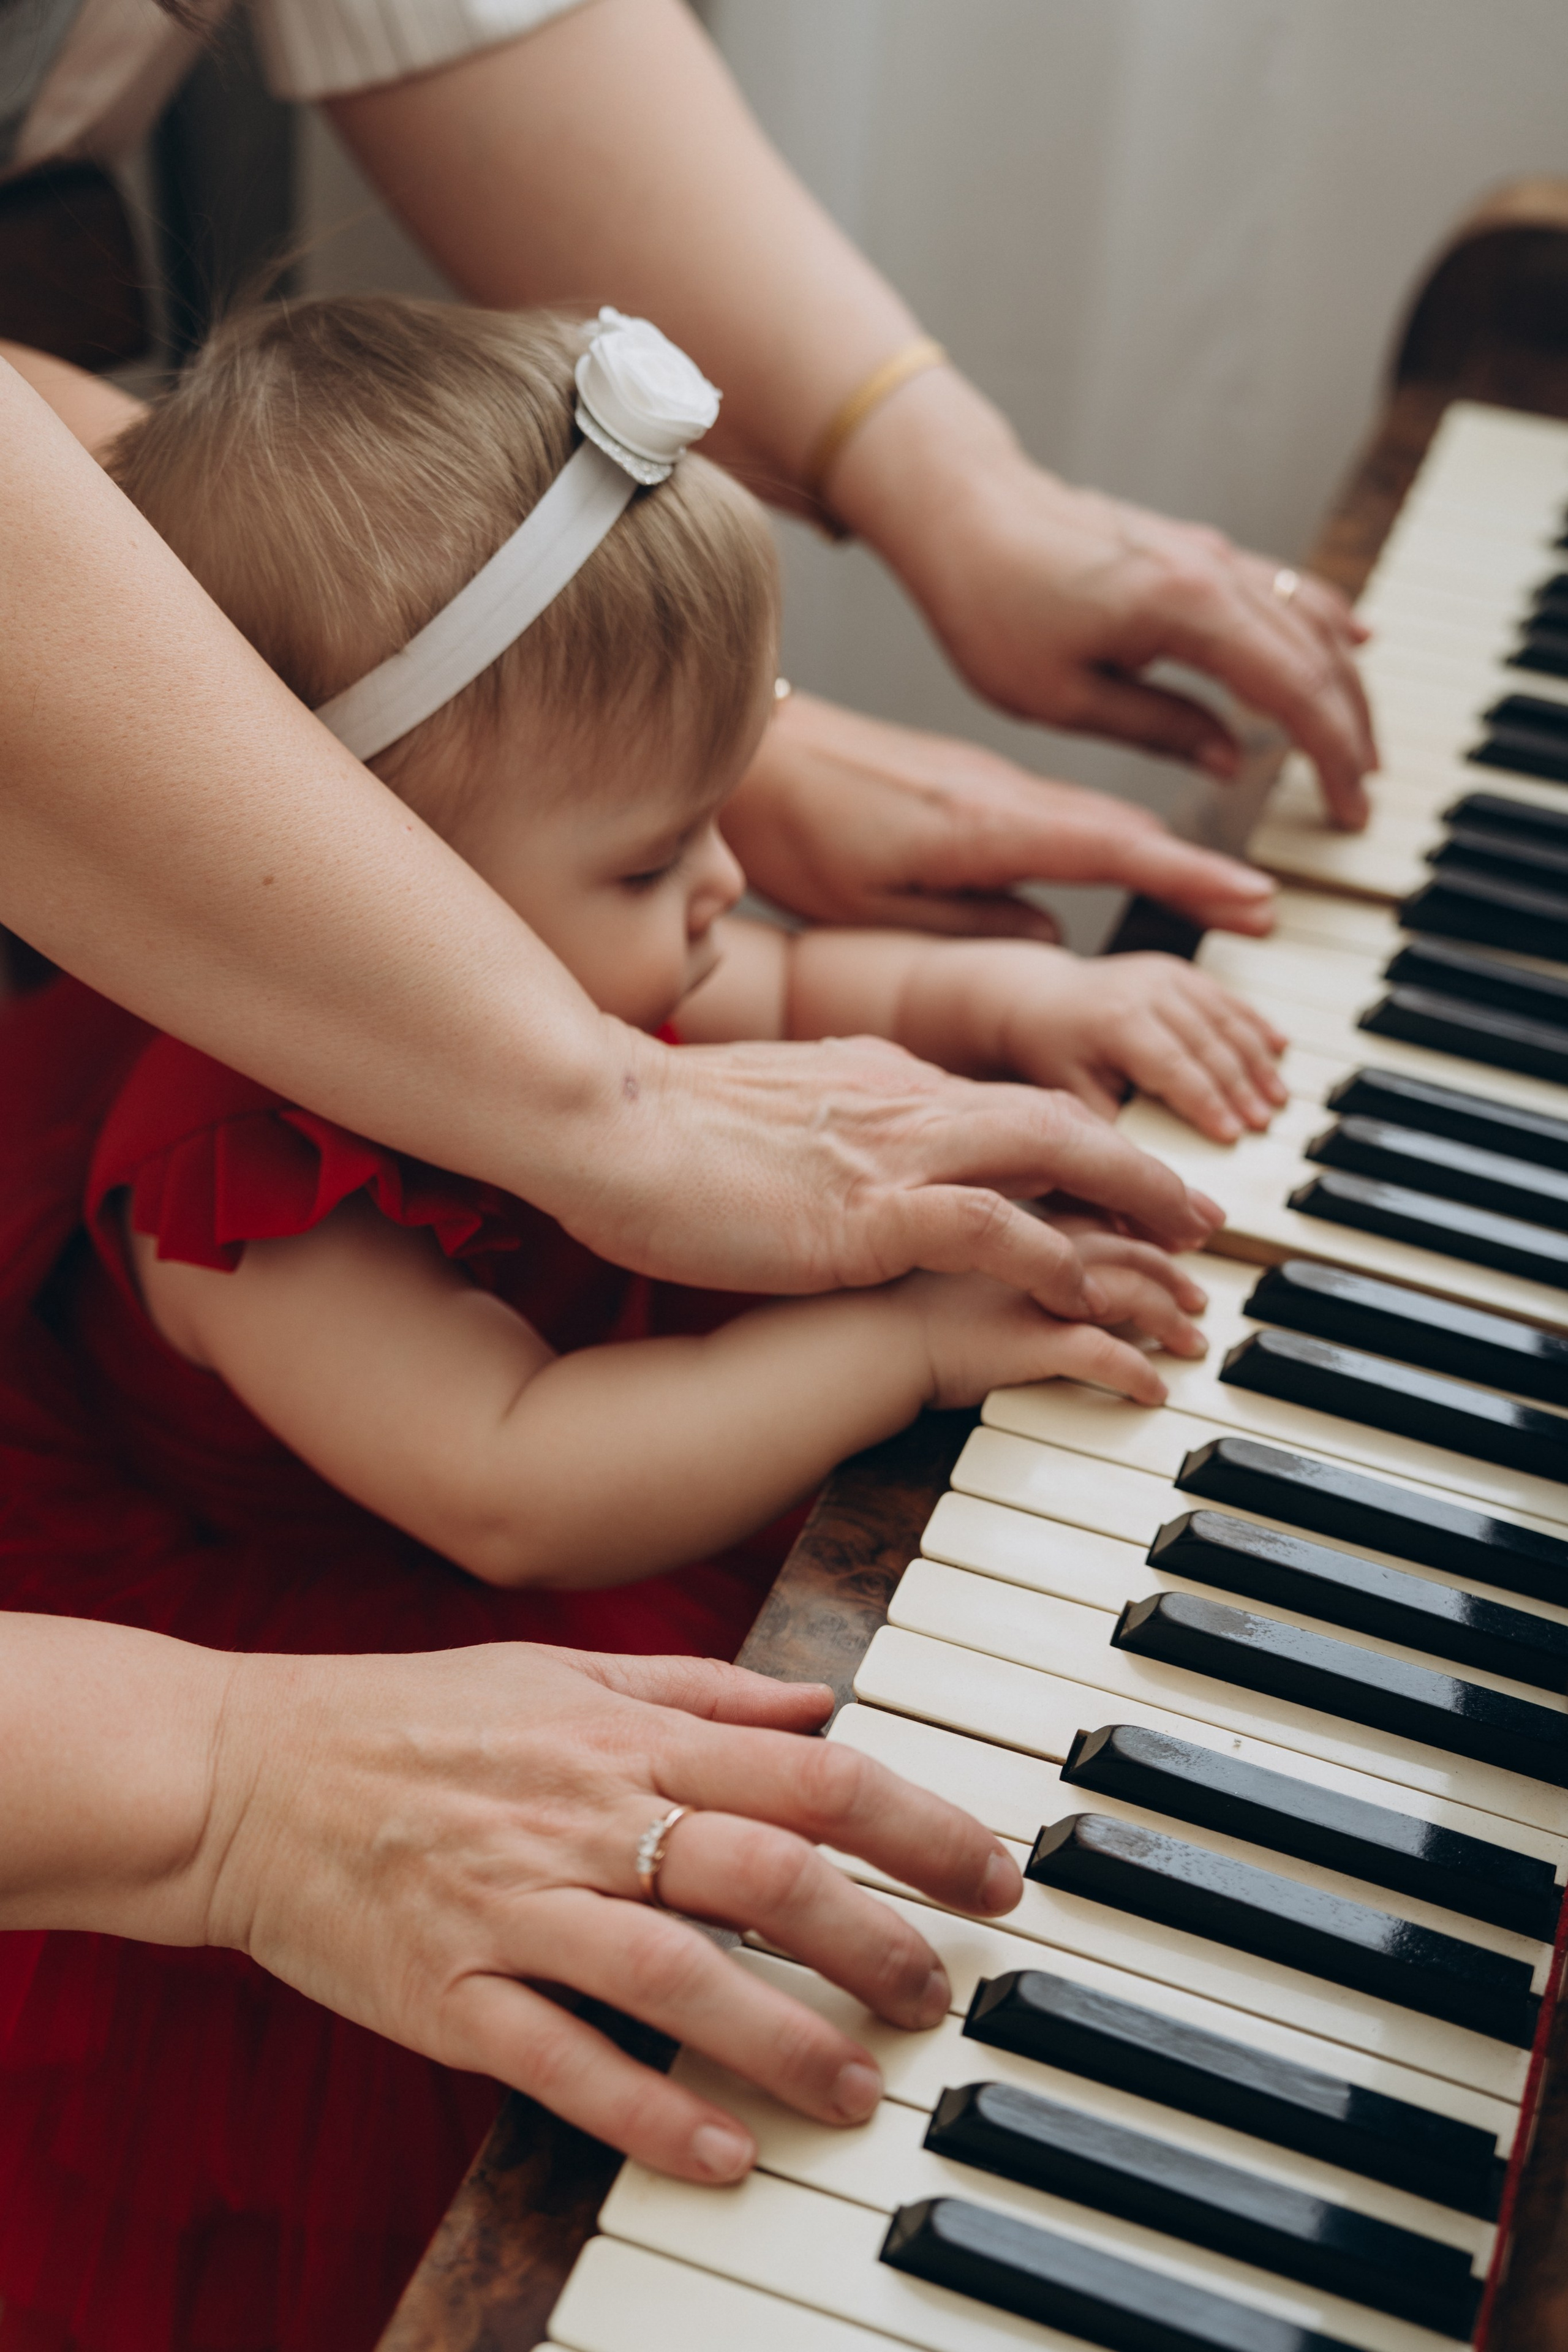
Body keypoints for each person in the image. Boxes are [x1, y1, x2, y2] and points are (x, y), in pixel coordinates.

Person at [0, 290, 1287, 2350]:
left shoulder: (587, 920)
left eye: (723, 809)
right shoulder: (240, 1191)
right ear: (373, 890)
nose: (720, 892)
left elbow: (753, 997)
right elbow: (516, 1488)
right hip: (345, 1625)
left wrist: (1017, 1012)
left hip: (588, 1466)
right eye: (652, 852)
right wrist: (895, 1351)